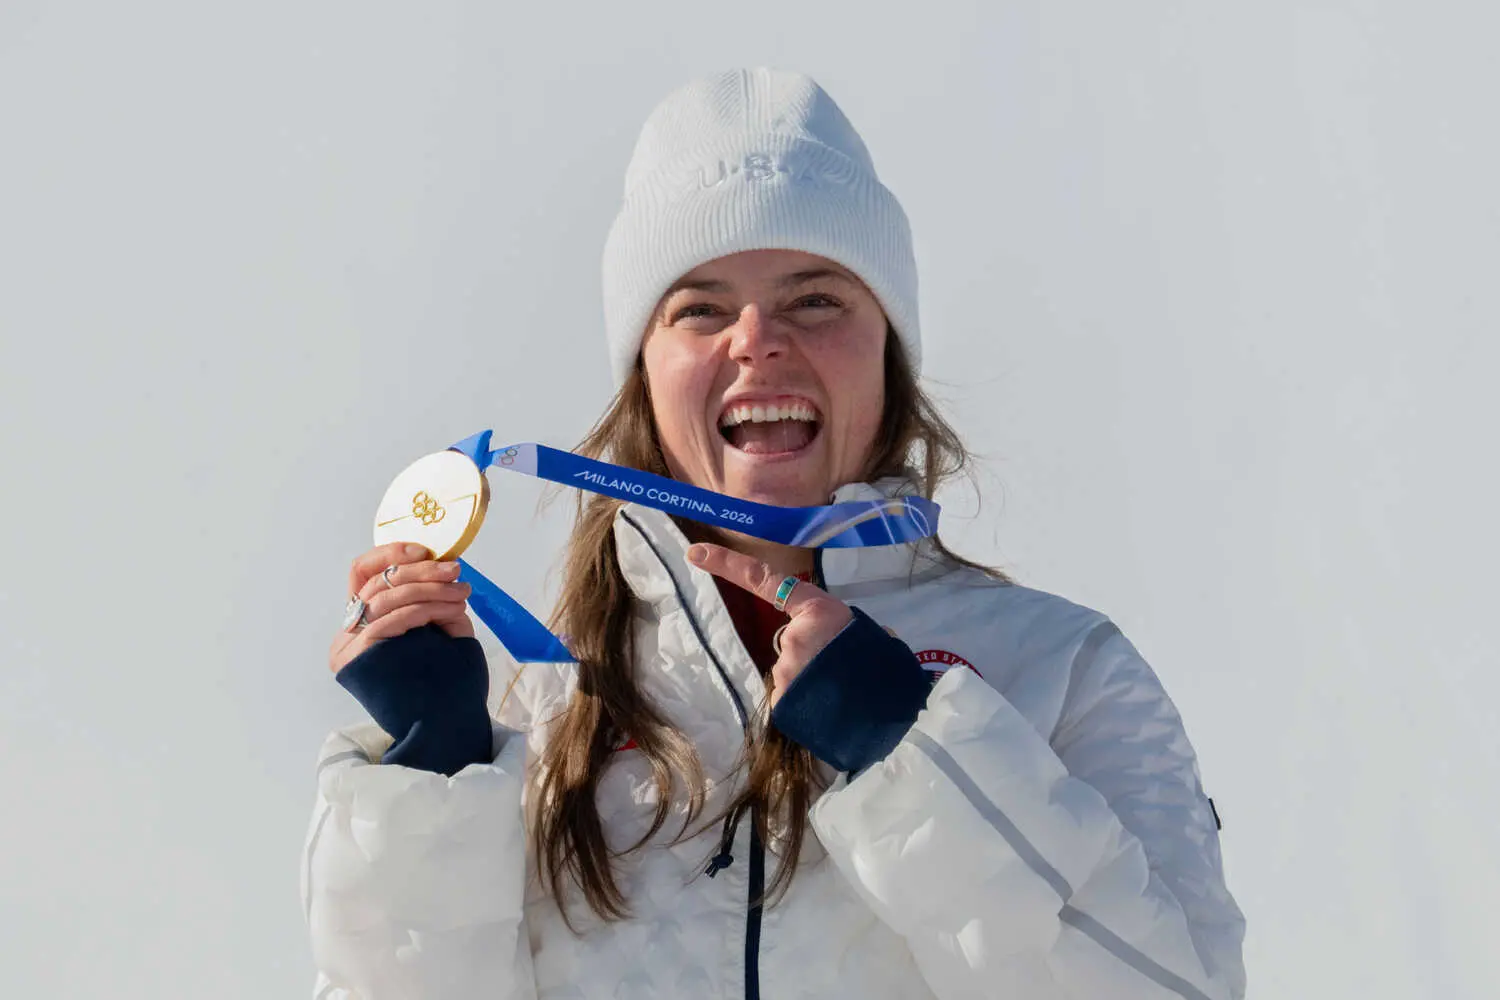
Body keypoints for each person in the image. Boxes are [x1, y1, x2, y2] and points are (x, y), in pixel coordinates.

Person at [302, 68, 1247, 1000]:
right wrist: (430, 779)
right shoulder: (546, 721)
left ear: (891, 351)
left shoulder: (1062, 670)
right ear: (646, 375)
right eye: (701, 307)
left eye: (815, 298)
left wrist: (914, 751)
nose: (755, 338)